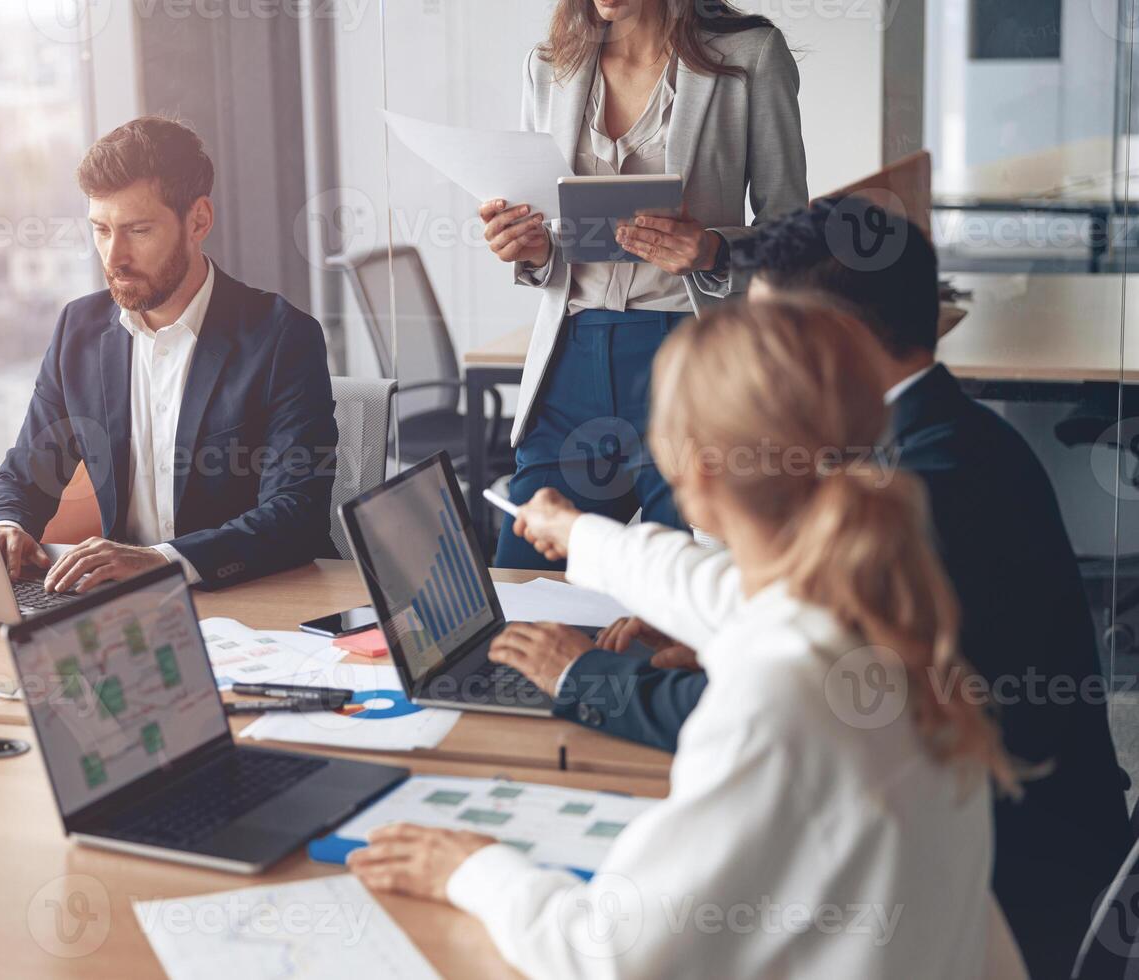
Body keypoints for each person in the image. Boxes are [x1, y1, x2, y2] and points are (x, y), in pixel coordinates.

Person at [490, 198, 1133, 977]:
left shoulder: (929, 488)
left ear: (830, 347)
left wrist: (583, 678)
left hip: (1017, 895)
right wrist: (590, 540)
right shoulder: (937, 443)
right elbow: (784, 616)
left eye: (766, 341)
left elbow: (780, 696)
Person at [349, 300, 1026, 977]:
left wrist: (471, 867)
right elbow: (717, 592)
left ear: (696, 471)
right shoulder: (875, 600)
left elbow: (607, 955)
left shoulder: (777, 691)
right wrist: (579, 532)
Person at [484, 0, 807, 570]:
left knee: (677, 600)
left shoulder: (750, 55)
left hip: (690, 361)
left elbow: (794, 236)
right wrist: (531, 250)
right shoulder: (550, 65)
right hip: (571, 364)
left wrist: (713, 249)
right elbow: (546, 225)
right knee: (521, 584)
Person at [0, 115, 337, 592]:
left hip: (253, 600)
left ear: (198, 220)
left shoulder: (281, 338)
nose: (113, 258)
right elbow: (26, 476)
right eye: (101, 230)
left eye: (138, 230)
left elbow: (296, 515)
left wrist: (162, 560)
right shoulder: (78, 331)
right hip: (129, 613)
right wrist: (7, 523)